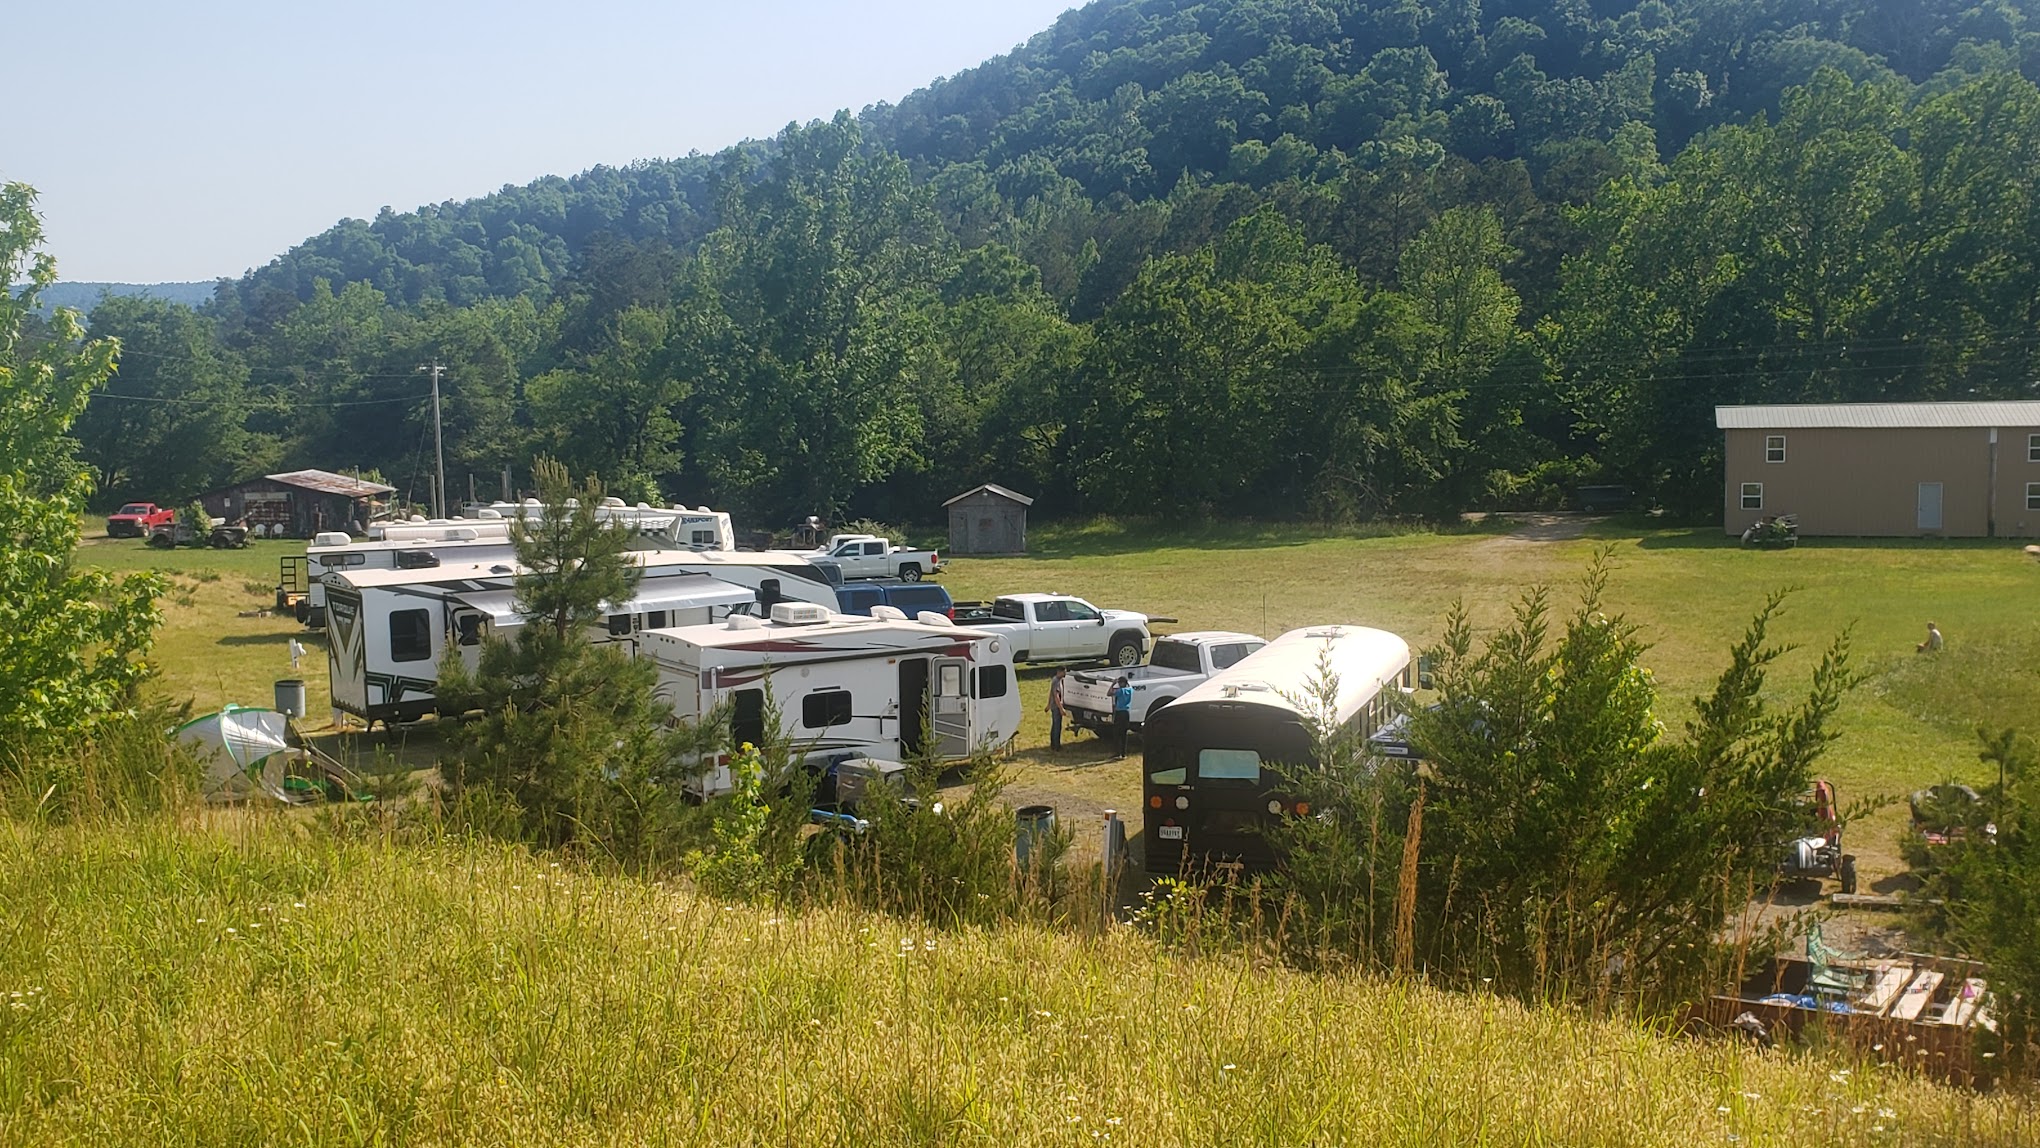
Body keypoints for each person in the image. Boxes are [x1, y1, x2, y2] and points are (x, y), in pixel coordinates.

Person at [1111, 676, 1134, 760]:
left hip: (1119, 712)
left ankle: (1117, 753)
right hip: (1126, 712)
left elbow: (1109, 693)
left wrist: (1113, 684)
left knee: (1117, 733)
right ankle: (1123, 753)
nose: (1119, 684)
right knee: (1124, 733)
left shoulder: (1120, 691)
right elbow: (1130, 686)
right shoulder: (1130, 690)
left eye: (1120, 682)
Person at [1046, 667, 1067, 752]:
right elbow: (1056, 696)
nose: (1065, 674)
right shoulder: (1056, 681)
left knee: (1055, 725)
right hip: (1056, 707)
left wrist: (1048, 705)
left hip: (1054, 706)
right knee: (1057, 726)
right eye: (1064, 672)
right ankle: (1056, 746)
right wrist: (1061, 708)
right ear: (1059, 672)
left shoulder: (1057, 680)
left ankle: (1053, 745)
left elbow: (1050, 694)